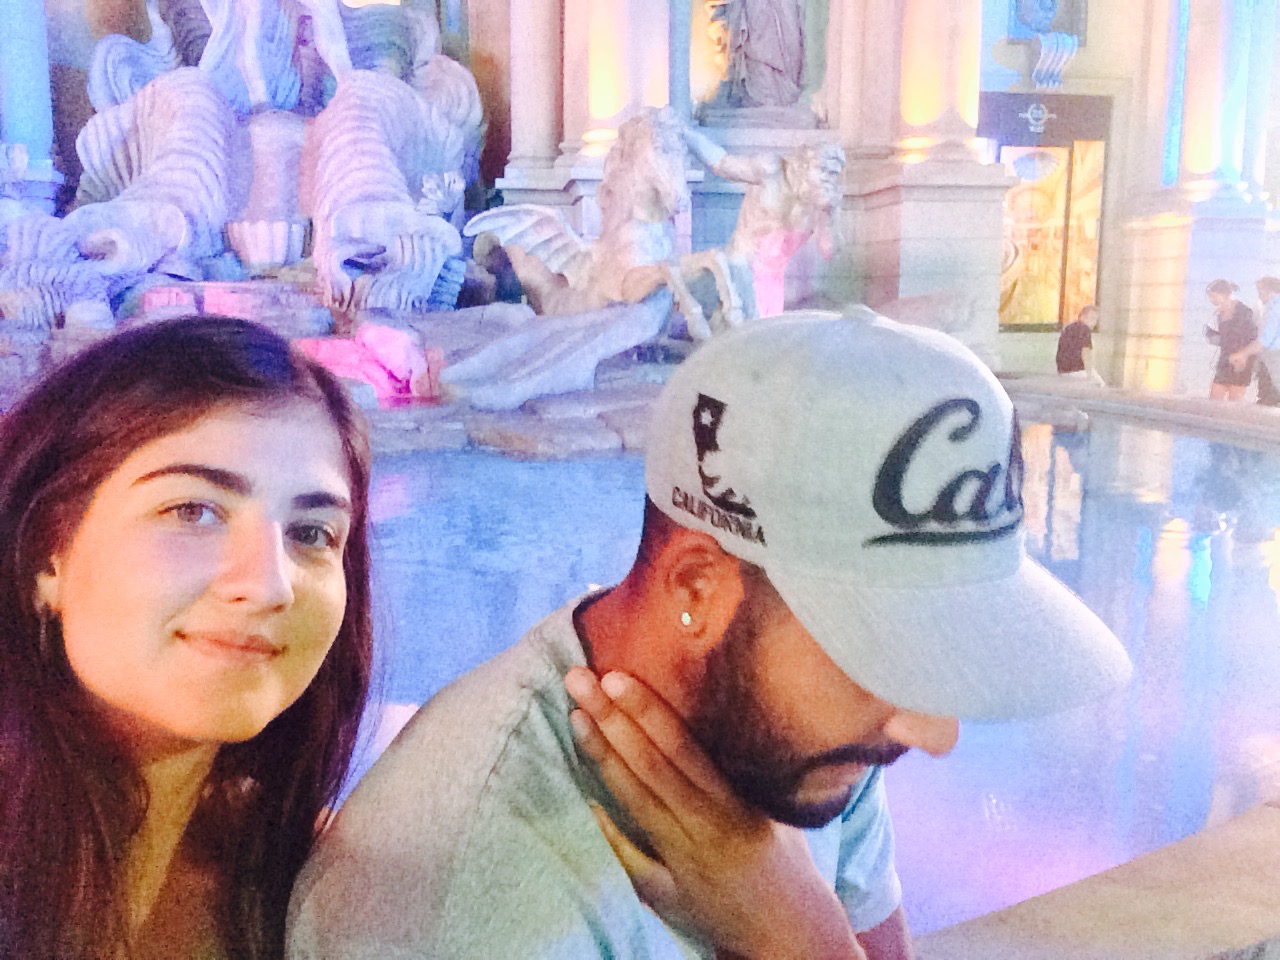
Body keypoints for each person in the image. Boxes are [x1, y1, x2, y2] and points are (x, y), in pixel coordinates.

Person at [287, 310, 1132, 959]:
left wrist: (798, 935)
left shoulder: (816, 736)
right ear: (696, 587)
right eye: (885, 644)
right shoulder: (464, 897)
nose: (933, 730)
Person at [0, 316, 374, 959]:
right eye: (192, 511)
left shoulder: (321, 885)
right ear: (45, 558)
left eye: (311, 533)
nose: (268, 585)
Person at [682, 125, 846, 318]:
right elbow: (723, 164)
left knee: (767, 332)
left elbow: (829, 252)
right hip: (741, 267)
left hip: (772, 284)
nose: (828, 179)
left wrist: (829, 215)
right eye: (823, 170)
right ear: (803, 165)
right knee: (748, 327)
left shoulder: (822, 202)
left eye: (833, 174)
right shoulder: (771, 170)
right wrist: (684, 132)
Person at [1204, 278, 1259, 401]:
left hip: (1241, 361)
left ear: (1225, 294)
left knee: (1233, 403)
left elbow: (1253, 337)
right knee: (1214, 400)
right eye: (1210, 297)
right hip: (1225, 359)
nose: (1211, 300)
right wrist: (1211, 334)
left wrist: (1243, 355)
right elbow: (1224, 338)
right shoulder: (1219, 314)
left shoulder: (1244, 312)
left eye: (1213, 296)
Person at [1231, 276, 1280, 407]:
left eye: (1260, 292)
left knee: (1271, 398)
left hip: (1274, 358)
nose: (1259, 296)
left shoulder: (1276, 308)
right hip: (1269, 359)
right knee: (1268, 397)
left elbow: (1266, 339)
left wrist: (1243, 354)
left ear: (1270, 290)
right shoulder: (1269, 308)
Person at [1056, 303, 1103, 383]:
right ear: (1082, 316)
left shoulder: (1068, 328)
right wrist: (1089, 372)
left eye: (1096, 320)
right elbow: (1085, 352)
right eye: (1092, 318)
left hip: (1063, 370)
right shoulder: (1084, 329)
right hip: (1078, 370)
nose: (1094, 322)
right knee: (1099, 384)